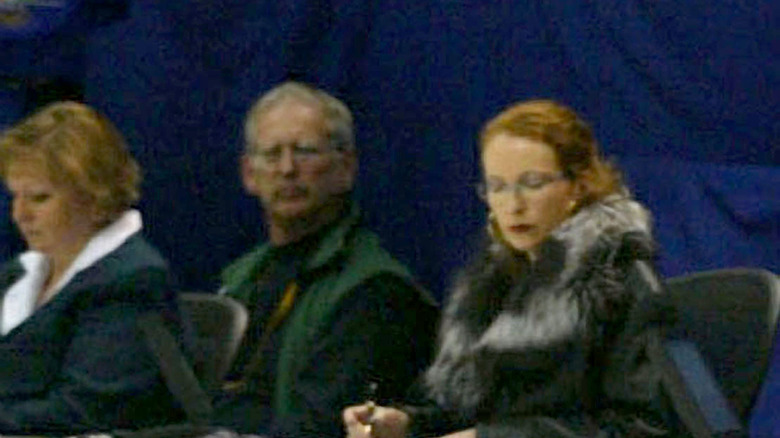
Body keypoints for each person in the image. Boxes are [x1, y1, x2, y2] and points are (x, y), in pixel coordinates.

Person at [343, 99, 676, 438]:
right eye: (497, 186)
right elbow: (467, 411)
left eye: (532, 183)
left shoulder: (619, 279)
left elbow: (640, 429)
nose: (513, 205)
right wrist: (407, 424)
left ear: (579, 184)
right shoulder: (487, 283)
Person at [212, 81, 438, 437]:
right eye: (271, 154)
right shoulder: (240, 279)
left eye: (305, 151)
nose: (287, 169)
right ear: (248, 174)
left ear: (346, 167)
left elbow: (322, 426)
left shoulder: (375, 292)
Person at [0, 101, 184, 434]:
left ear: (96, 198)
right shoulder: (18, 274)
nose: (20, 214)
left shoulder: (133, 282)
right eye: (15, 196)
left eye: (39, 198)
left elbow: (83, 411)